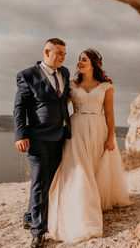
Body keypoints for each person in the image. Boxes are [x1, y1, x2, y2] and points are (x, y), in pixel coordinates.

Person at [48, 48, 130, 243]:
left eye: (84, 59)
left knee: (94, 167)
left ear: (93, 63)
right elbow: (61, 108)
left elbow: (109, 113)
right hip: (76, 130)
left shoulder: (105, 87)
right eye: (78, 59)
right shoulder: (72, 85)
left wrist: (111, 137)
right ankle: (84, 213)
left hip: (98, 128)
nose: (79, 62)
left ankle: (95, 200)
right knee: (81, 170)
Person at [13, 38, 71, 248]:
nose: (62, 57)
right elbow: (19, 108)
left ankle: (29, 215)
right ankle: (38, 232)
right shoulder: (27, 76)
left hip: (60, 135)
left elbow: (63, 99)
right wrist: (20, 135)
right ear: (47, 52)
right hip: (37, 137)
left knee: (48, 179)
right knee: (39, 182)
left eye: (64, 53)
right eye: (59, 53)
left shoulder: (64, 73)